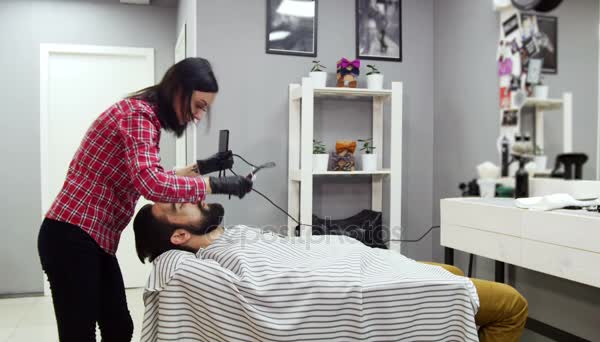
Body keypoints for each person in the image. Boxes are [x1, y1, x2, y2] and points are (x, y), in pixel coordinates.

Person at [37, 57, 253, 342]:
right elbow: (150, 182)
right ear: (179, 91)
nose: (199, 116)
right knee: (79, 334)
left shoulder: (144, 118)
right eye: (199, 105)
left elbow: (149, 173)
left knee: (119, 328)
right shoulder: (138, 115)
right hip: (71, 235)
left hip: (94, 238)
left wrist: (205, 166)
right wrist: (214, 184)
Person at [133, 201, 529, 342]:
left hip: (359, 260)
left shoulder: (225, 239)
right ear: (180, 235)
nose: (186, 195)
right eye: (174, 205)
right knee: (511, 304)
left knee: (453, 269)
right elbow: (276, 288)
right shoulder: (211, 263)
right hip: (359, 280)